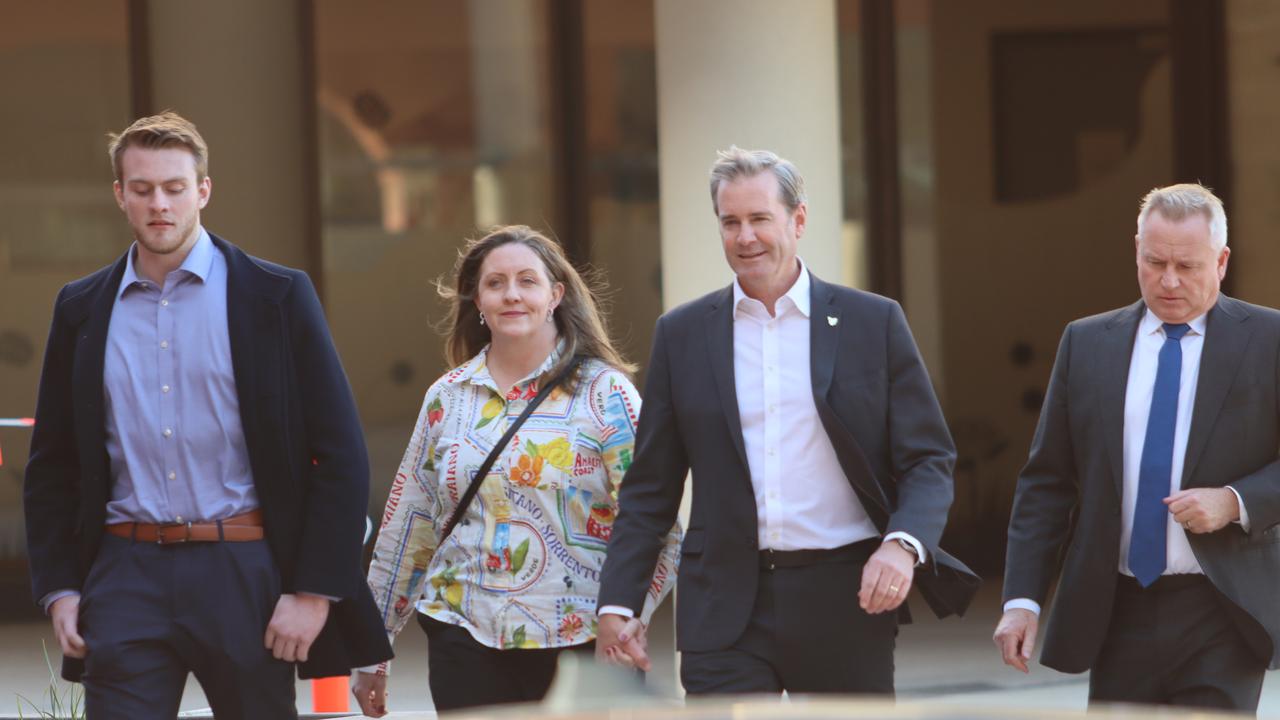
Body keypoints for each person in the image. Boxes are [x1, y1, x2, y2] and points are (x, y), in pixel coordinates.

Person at [22, 112, 392, 719]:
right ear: (120, 195)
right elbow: (53, 463)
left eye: (174, 187)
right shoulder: (82, 307)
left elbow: (341, 454)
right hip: (124, 572)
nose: (159, 204)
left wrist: (313, 591)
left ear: (204, 191)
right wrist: (61, 588)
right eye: (142, 189)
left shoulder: (276, 296)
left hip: (244, 569)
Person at [595, 147, 978, 695]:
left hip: (843, 597)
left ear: (798, 220)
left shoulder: (873, 322)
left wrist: (902, 543)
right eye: (731, 222)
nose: (745, 237)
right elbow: (650, 489)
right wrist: (618, 601)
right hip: (723, 605)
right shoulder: (681, 335)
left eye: (759, 219)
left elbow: (928, 459)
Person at [352, 225, 679, 715]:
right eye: (495, 283)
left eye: (527, 281)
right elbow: (410, 524)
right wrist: (372, 648)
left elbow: (657, 525)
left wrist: (627, 616)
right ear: (478, 301)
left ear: (555, 295)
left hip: (581, 640)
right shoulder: (448, 398)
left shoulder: (607, 396)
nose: (512, 295)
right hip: (463, 634)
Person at [996, 183, 1280, 711]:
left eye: (1188, 267)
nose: (1168, 281)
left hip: (1222, 606)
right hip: (1117, 608)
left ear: (1221, 262)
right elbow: (1047, 482)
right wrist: (1021, 600)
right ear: (1136, 251)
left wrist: (1235, 501)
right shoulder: (1087, 343)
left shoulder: (1268, 340)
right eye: (1154, 262)